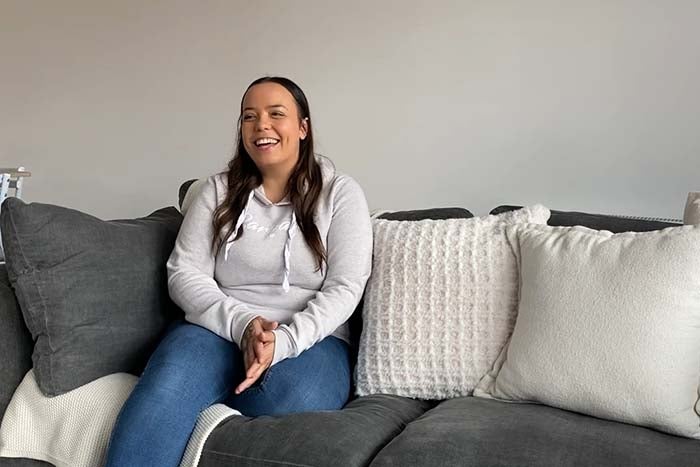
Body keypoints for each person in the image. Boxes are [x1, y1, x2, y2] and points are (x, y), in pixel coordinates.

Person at [105, 76, 373, 466]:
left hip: (312, 340)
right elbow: (184, 272)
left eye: (275, 114)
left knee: (298, 398)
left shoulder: (341, 193)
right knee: (167, 388)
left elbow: (346, 286)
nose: (261, 125)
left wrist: (281, 343)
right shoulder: (215, 191)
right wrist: (244, 325)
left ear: (303, 127)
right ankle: (197, 390)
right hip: (217, 329)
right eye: (249, 116)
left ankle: (208, 391)